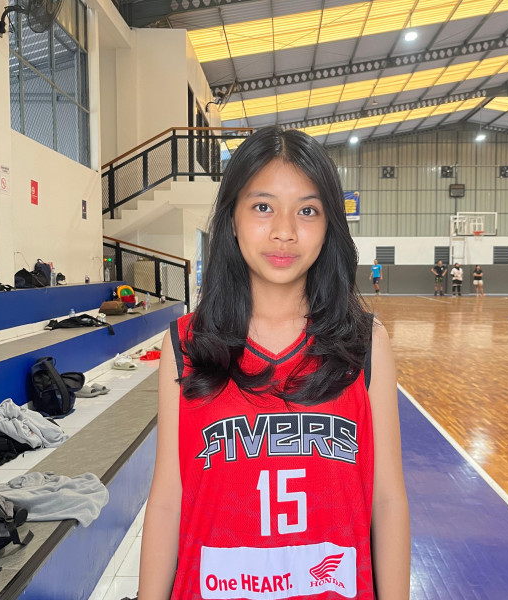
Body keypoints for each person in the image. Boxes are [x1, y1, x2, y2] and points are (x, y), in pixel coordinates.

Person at [138, 127, 410, 600]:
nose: (285, 231)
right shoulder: (185, 346)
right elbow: (166, 500)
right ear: (233, 219)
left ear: (329, 226)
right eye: (263, 207)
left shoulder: (366, 345)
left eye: (307, 211)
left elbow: (387, 500)